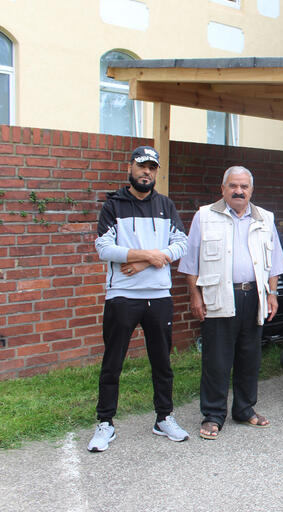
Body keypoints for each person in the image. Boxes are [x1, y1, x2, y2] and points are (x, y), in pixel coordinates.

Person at [88, 146, 189, 452]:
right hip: (122, 295)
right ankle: (105, 423)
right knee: (112, 363)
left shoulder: (165, 205)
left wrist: (145, 261)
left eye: (152, 168)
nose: (147, 172)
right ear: (130, 167)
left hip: (159, 296)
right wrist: (148, 254)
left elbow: (181, 244)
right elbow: (103, 248)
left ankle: (164, 418)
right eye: (142, 166)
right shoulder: (114, 205)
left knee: (162, 362)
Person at [180, 166, 283, 440]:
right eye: (233, 186)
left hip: (255, 295)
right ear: (223, 189)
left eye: (244, 186)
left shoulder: (266, 218)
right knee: (216, 359)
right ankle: (213, 415)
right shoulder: (205, 216)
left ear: (251, 190)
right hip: (219, 296)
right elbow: (191, 261)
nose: (239, 191)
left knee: (250, 356)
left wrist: (272, 294)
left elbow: (274, 262)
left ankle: (244, 408)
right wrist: (195, 295)